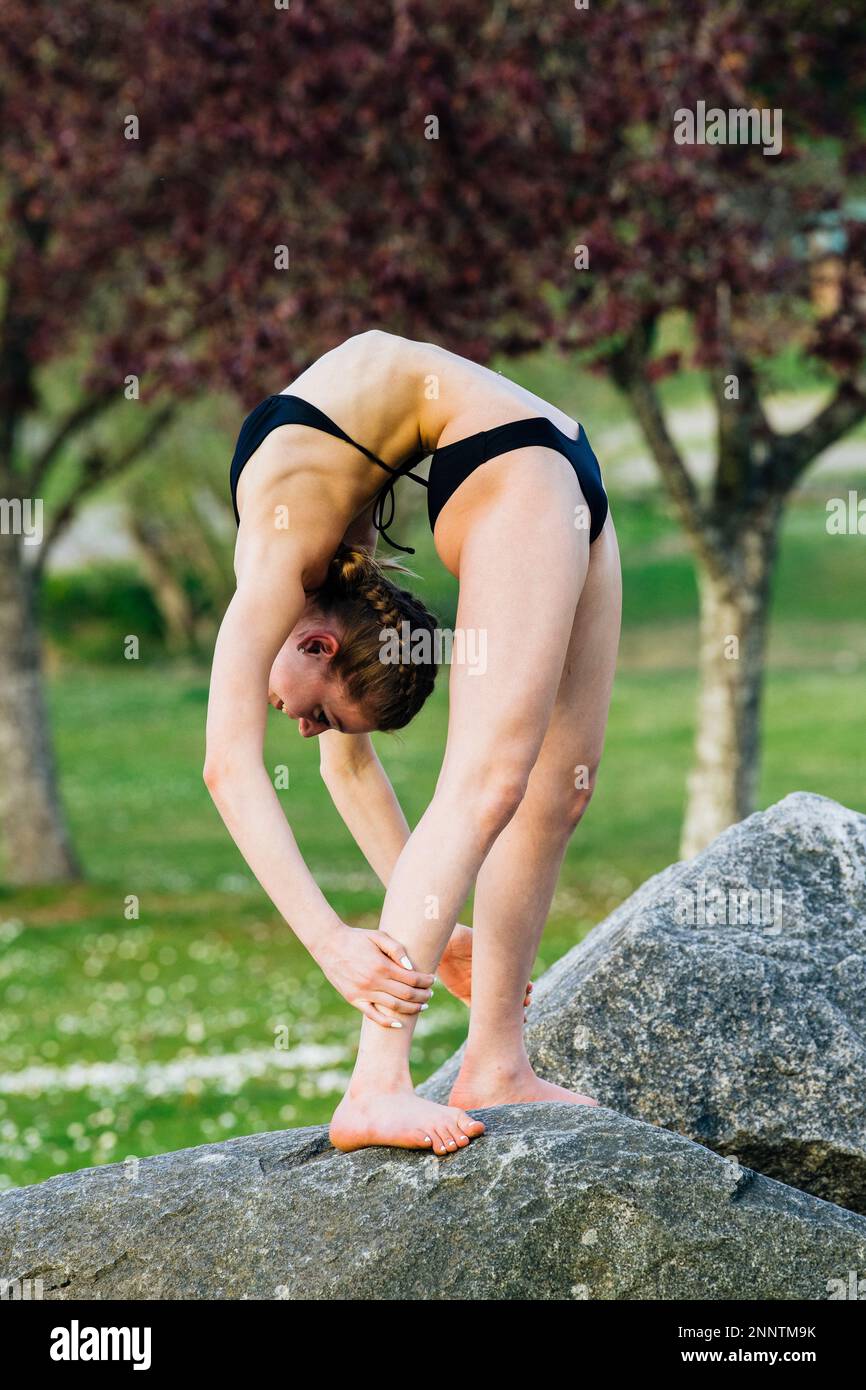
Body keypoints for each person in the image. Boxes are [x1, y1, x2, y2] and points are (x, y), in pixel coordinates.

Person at [205, 329, 622, 1156]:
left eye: (314, 715)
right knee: (496, 778)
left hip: (543, 456)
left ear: (321, 647)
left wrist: (346, 945)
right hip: (534, 454)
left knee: (551, 786)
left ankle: (494, 1063)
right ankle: (379, 1085)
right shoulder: (313, 554)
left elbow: (228, 767)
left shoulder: (282, 563)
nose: (302, 725)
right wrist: (410, 926)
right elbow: (335, 769)